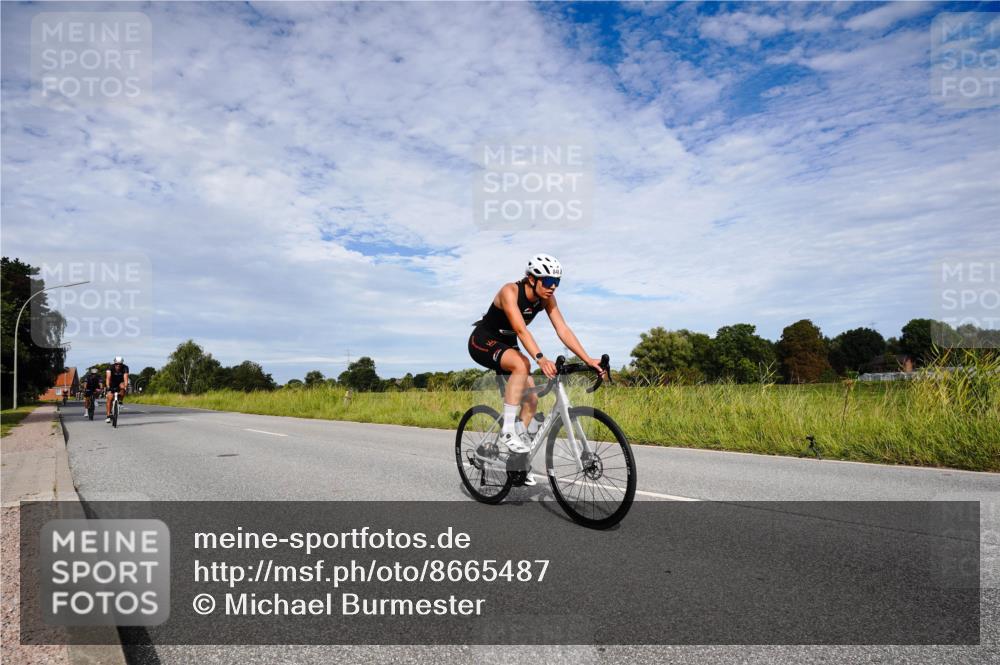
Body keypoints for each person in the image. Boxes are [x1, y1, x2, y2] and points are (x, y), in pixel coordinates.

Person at [468, 254, 605, 486]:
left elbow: (563, 329)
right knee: (522, 363)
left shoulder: (546, 299)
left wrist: (588, 359)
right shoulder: (510, 291)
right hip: (483, 340)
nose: (553, 287)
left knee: (531, 400)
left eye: (557, 282)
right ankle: (508, 431)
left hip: (507, 344)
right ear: (532, 279)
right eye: (548, 281)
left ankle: (517, 462)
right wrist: (540, 358)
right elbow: (521, 330)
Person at [105, 356, 130, 423]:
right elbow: (108, 377)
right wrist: (108, 386)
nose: (118, 366)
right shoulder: (110, 367)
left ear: (122, 364)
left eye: (120, 364)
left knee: (123, 387)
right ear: (114, 363)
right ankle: (108, 416)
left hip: (120, 382)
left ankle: (120, 402)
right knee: (110, 398)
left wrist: (125, 387)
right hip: (112, 382)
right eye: (116, 364)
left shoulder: (125, 367)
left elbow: (126, 378)